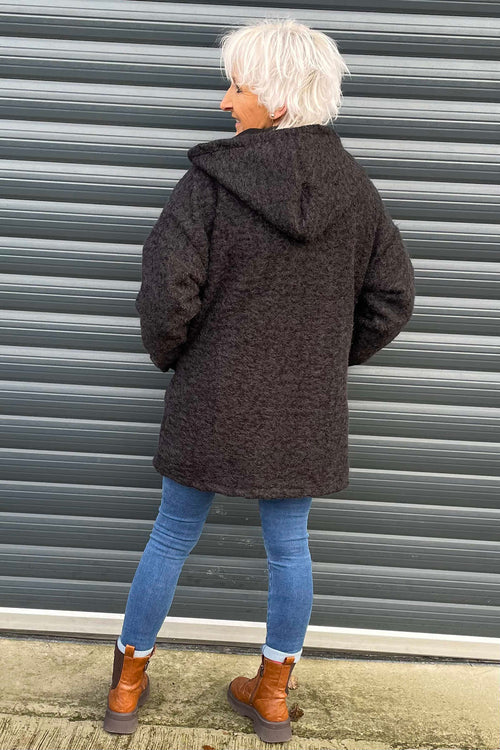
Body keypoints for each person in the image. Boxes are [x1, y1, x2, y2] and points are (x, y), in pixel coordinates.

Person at [103, 17, 415, 744]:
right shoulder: (356, 190)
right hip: (304, 404)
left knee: (171, 536)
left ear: (275, 100)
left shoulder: (209, 183)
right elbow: (392, 297)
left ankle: (126, 686)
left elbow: (166, 294)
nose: (224, 100)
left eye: (237, 86)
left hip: (212, 394)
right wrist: (320, 360)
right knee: (289, 546)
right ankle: (272, 697)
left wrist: (178, 357)